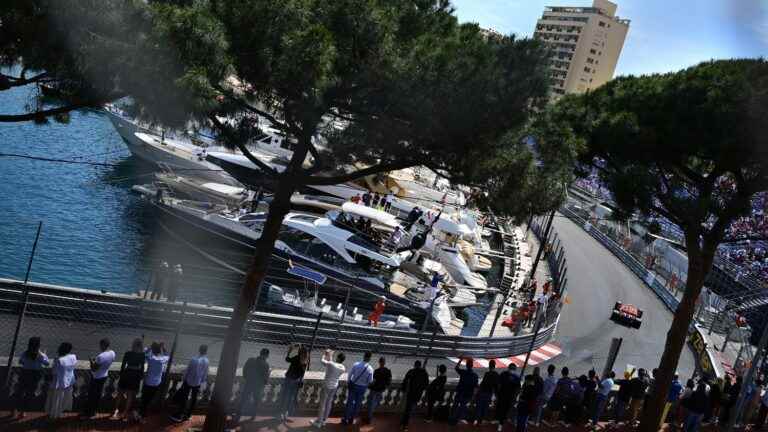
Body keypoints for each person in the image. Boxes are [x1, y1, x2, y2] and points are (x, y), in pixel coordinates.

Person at [170, 344, 209, 423]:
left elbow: (187, 371)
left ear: (199, 350)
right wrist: (201, 382)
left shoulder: (193, 359)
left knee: (184, 397)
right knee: (193, 399)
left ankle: (180, 414)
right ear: (206, 351)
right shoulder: (207, 361)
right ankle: (188, 415)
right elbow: (205, 374)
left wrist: (183, 378)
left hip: (188, 381)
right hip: (197, 383)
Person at [14, 336, 49, 419]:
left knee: (20, 392)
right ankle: (23, 412)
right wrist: (44, 355)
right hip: (35, 376)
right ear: (38, 345)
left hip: (24, 373)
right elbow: (47, 364)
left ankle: (15, 409)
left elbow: (20, 362)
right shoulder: (41, 355)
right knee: (29, 394)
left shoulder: (25, 353)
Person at [82, 338, 115, 419]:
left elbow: (94, 368)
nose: (99, 347)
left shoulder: (100, 356)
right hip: (104, 375)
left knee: (92, 395)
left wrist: (91, 361)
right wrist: (96, 362)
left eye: (100, 345)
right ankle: (94, 411)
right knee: (98, 394)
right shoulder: (112, 353)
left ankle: (89, 413)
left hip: (96, 377)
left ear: (103, 345)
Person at [113, 338, 145, 421]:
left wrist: (121, 374)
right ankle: (124, 413)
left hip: (126, 373)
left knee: (120, 393)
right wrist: (140, 377)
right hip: (135, 375)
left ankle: (115, 411)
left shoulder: (128, 353)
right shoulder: (142, 355)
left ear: (133, 345)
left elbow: (123, 365)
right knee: (130, 395)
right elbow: (142, 368)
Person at [313, 349, 346, 428]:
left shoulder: (331, 364)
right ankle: (324, 420)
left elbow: (322, 361)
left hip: (327, 386)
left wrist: (325, 354)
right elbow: (331, 363)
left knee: (322, 404)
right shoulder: (343, 368)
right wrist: (330, 356)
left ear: (337, 358)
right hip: (334, 386)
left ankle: (319, 422)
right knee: (329, 403)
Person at [236, 348, 270, 423]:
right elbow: (265, 378)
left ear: (260, 353)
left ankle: (238, 414)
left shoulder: (250, 360)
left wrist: (246, 377)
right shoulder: (266, 365)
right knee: (256, 401)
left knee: (243, 399)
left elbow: (244, 369)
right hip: (258, 386)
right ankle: (253, 415)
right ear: (267, 355)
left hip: (249, 382)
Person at [277, 344, 308, 422]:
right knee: (291, 398)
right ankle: (286, 413)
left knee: (285, 396)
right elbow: (302, 373)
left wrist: (289, 351)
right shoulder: (305, 361)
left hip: (289, 379)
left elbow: (287, 359)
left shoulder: (296, 358)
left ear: (299, 352)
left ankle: (281, 413)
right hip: (296, 381)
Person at [45, 342, 76, 419]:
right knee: (64, 398)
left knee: (56, 399)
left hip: (58, 382)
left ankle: (54, 414)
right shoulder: (73, 357)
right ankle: (60, 412)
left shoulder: (58, 360)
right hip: (69, 380)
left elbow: (54, 372)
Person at [342, 351, 374, 425]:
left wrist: (349, 382)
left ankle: (345, 418)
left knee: (350, 402)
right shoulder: (370, 369)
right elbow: (370, 381)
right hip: (362, 387)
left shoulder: (356, 364)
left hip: (354, 385)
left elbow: (350, 374)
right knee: (358, 403)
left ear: (364, 356)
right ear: (369, 358)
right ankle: (352, 418)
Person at [140, 341, 169, 419]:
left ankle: (142, 414)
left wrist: (150, 347)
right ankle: (143, 414)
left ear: (152, 350)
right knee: (149, 399)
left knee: (144, 399)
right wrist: (163, 347)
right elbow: (167, 355)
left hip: (148, 382)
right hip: (156, 383)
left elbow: (144, 353)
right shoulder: (162, 359)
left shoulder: (151, 358)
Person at [400, 360, 429, 430]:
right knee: (411, 408)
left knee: (407, 409)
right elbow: (426, 384)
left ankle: (404, 424)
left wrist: (403, 389)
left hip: (410, 392)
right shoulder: (424, 373)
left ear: (415, 365)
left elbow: (405, 380)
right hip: (418, 394)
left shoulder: (411, 371)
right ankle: (406, 422)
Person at [450, 358, 478, 425]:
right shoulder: (475, 376)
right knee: (462, 407)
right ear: (472, 365)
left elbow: (456, 368)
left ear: (466, 365)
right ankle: (459, 420)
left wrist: (460, 360)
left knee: (455, 406)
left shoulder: (463, 372)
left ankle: (452, 420)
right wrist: (473, 396)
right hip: (467, 394)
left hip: (460, 392)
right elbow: (475, 387)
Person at [496, 363, 522, 431]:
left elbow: (518, 388)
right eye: (512, 368)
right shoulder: (512, 376)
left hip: (507, 397)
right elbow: (499, 384)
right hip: (504, 397)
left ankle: (501, 423)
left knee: (504, 410)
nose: (512, 370)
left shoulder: (515, 377)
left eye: (513, 369)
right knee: (503, 410)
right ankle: (500, 422)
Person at [366, 357, 392, 424]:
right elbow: (389, 381)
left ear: (379, 362)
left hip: (374, 389)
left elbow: (373, 381)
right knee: (376, 403)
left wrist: (369, 385)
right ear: (384, 362)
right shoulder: (388, 371)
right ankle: (370, 415)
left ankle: (369, 417)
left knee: (371, 403)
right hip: (381, 389)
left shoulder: (376, 371)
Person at [475, 360, 499, 425]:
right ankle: (481, 420)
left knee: (480, 406)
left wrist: (478, 392)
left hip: (482, 392)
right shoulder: (496, 375)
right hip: (489, 393)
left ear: (489, 366)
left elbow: (482, 384)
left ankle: (477, 420)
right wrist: (497, 395)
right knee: (485, 407)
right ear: (494, 366)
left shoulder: (487, 374)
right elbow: (496, 386)